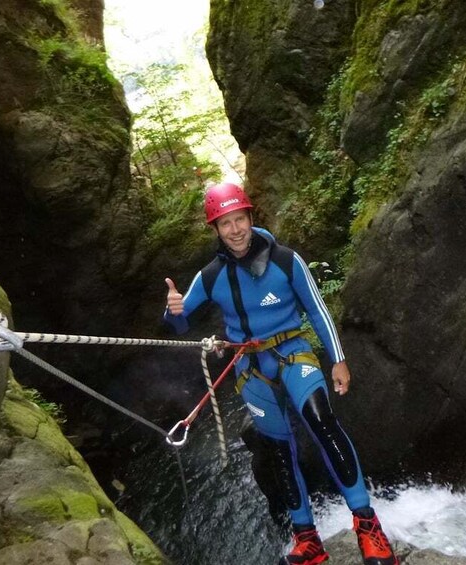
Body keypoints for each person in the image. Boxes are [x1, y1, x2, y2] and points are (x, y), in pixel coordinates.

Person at [164, 182, 398, 565]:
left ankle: (368, 526)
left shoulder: (286, 260)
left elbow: (318, 310)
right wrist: (172, 310)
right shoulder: (209, 277)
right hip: (250, 369)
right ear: (216, 230)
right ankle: (307, 539)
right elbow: (178, 324)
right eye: (225, 224)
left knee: (323, 423)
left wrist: (338, 359)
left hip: (293, 353)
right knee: (276, 450)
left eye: (240, 219)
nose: (235, 230)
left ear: (251, 219)